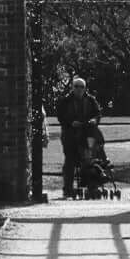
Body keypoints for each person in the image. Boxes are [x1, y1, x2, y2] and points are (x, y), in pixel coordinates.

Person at [52, 69, 100, 197]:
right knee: (70, 160)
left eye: (82, 87)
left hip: (86, 133)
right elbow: (60, 116)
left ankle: (92, 186)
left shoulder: (91, 100)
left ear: (85, 88)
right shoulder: (65, 101)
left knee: (89, 159)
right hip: (70, 134)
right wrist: (70, 123)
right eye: (76, 87)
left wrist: (93, 120)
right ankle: (67, 189)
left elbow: (97, 113)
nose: (79, 89)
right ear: (72, 88)